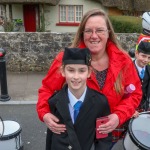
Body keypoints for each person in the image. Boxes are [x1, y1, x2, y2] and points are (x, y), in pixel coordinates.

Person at [36, 8, 142, 148]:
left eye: (99, 30)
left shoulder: (124, 61)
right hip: (75, 135)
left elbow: (134, 94)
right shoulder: (65, 59)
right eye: (88, 31)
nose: (94, 36)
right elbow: (47, 90)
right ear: (82, 33)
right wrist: (45, 114)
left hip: (108, 134)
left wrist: (118, 116)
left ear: (108, 33)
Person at [48, 47, 112, 150]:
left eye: (82, 71)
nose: (76, 76)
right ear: (63, 71)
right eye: (71, 70)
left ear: (89, 72)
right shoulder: (54, 101)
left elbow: (104, 137)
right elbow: (51, 136)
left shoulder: (100, 102)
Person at [133, 41, 150, 116]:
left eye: (149, 57)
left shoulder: (149, 69)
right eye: (143, 56)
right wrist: (130, 110)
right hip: (130, 110)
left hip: (144, 109)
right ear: (136, 53)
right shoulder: (126, 69)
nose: (146, 60)